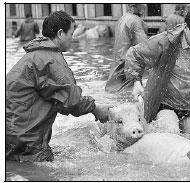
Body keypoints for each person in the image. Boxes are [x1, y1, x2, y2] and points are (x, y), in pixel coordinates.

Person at [6, 11, 112, 162]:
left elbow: (60, 98)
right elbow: (71, 101)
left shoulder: (34, 55)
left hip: (10, 133)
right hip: (24, 140)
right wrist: (96, 109)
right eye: (71, 33)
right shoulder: (50, 60)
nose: (73, 38)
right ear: (61, 33)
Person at [123, 7, 190, 134]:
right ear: (186, 27)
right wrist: (136, 82)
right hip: (165, 103)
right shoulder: (166, 42)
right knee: (171, 133)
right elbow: (134, 54)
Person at [105, 4, 148, 92]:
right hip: (129, 72)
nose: (145, 5)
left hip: (115, 74)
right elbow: (145, 48)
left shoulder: (122, 19)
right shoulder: (136, 21)